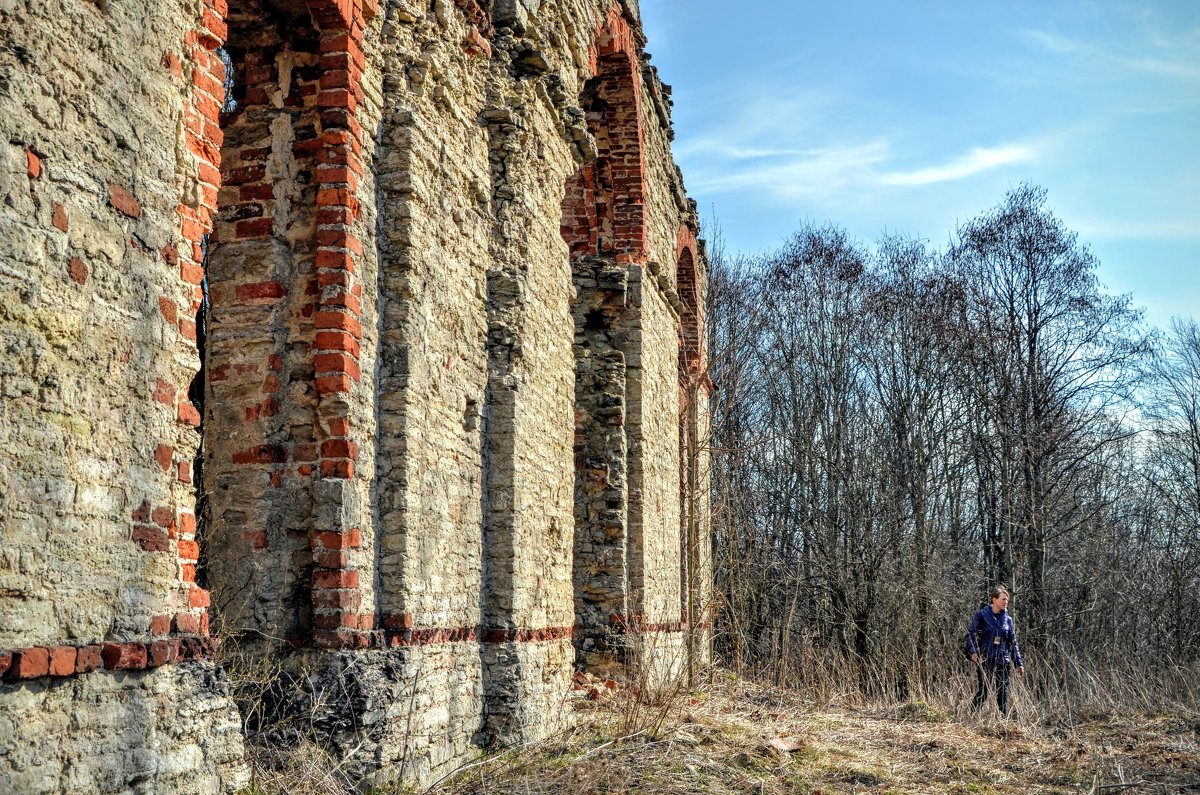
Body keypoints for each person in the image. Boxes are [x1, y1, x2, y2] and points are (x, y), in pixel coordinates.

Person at [965, 586, 1024, 716]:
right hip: (986, 658)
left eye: (1007, 600)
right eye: (1003, 599)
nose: (1005, 602)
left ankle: (1003, 720)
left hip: (1003, 660)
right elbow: (970, 633)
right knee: (984, 690)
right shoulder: (982, 615)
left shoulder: (1008, 620)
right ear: (994, 600)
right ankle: (971, 716)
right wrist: (973, 651)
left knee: (1003, 692)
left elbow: (1013, 642)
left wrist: (1018, 663)